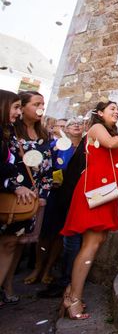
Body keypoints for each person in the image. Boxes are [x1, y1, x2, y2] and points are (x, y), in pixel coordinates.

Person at [59, 101, 118, 320]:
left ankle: (70, 292)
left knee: (98, 240)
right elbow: (111, 144)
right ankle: (73, 298)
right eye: (112, 108)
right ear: (100, 113)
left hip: (107, 189)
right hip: (93, 189)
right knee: (90, 244)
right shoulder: (96, 128)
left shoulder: (110, 132)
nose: (117, 111)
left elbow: (107, 157)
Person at [4, 91, 52, 299]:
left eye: (43, 104)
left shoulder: (44, 135)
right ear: (22, 107)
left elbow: (47, 167)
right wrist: (13, 185)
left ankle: (7, 286)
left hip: (32, 196)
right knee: (6, 241)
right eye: (36, 104)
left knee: (17, 242)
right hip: (10, 192)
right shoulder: (10, 131)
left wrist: (43, 193)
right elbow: (7, 163)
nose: (41, 108)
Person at [37, 118, 85, 299]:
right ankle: (38, 268)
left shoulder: (85, 147)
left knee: (63, 234)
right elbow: (46, 166)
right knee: (46, 231)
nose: (77, 126)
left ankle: (50, 269)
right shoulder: (56, 145)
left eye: (80, 123)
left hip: (74, 193)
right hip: (56, 191)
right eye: (72, 123)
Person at [0, 89, 38, 307]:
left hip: (14, 198)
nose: (17, 112)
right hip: (8, 194)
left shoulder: (7, 133)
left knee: (10, 244)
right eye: (15, 107)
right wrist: (13, 184)